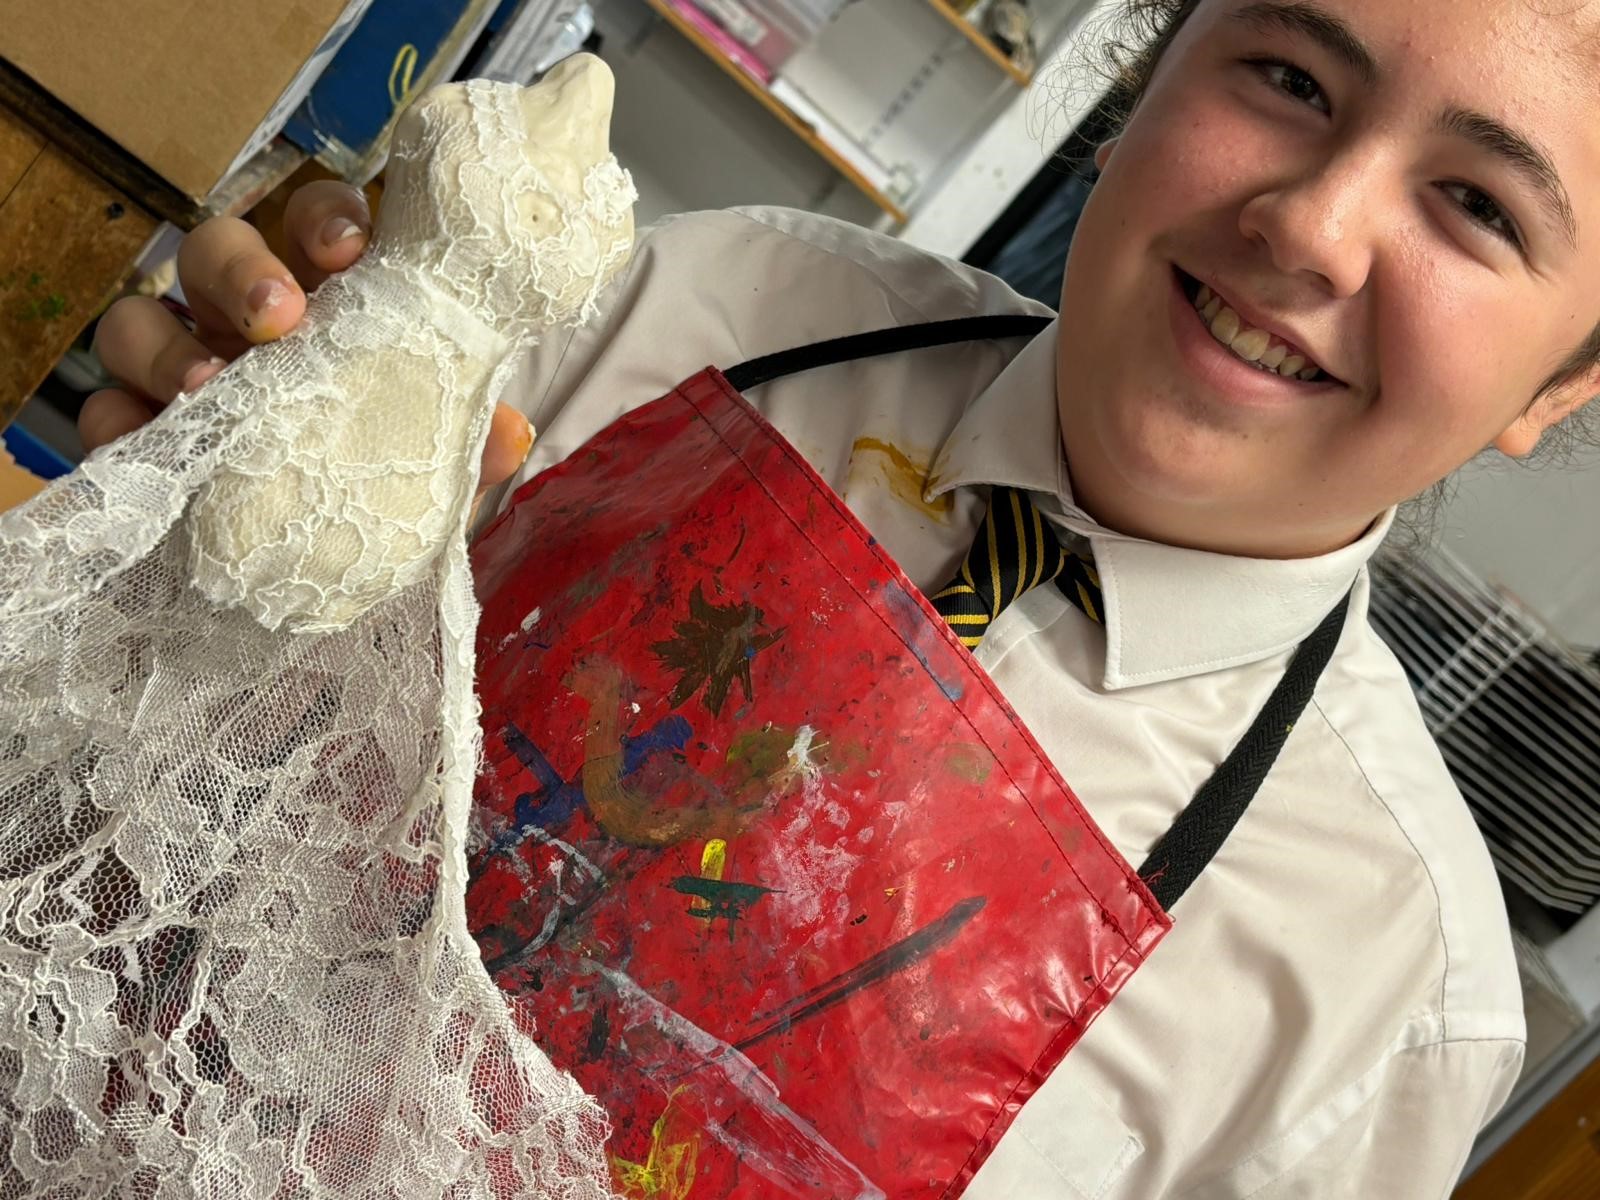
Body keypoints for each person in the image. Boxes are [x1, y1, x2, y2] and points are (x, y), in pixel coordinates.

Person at [76, 0, 1600, 1193]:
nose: (1312, 225)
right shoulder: (716, 303)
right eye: (1288, 79)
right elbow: (170, 714)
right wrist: (187, 471)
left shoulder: (1385, 999)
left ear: (1565, 382)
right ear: (1144, 76)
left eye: (1478, 207)